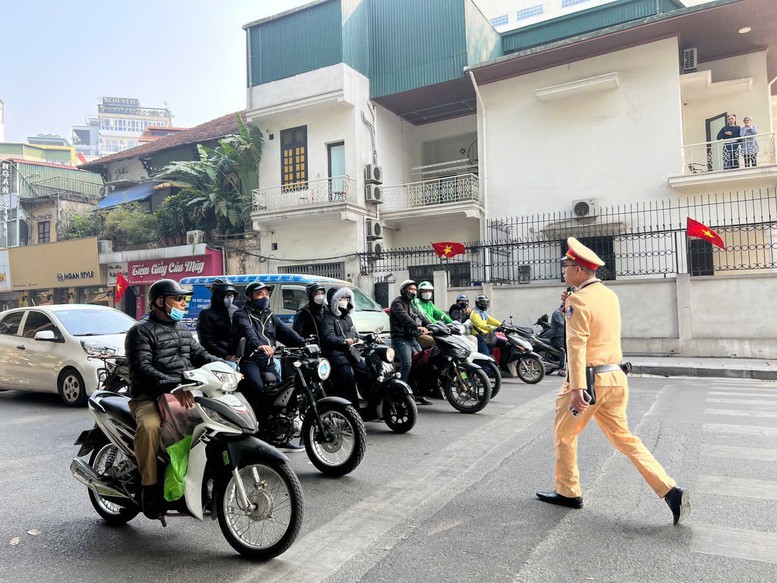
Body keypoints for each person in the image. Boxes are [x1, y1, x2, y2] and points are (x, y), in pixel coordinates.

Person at [535, 237, 689, 526]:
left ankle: (568, 492)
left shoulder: (579, 300)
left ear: (579, 270)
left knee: (565, 435)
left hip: (590, 382)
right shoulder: (608, 295)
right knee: (625, 438)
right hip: (616, 378)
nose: (563, 271)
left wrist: (578, 387)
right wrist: (571, 303)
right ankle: (669, 490)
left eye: (567, 266)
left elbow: (577, 344)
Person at [125, 278, 221, 519]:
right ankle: (149, 488)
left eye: (183, 299)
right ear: (160, 302)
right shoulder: (140, 331)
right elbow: (143, 368)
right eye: (177, 299)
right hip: (148, 396)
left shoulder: (182, 329)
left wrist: (225, 366)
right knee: (150, 428)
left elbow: (200, 355)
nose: (182, 303)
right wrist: (172, 385)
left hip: (184, 393)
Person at [232, 281, 307, 450]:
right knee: (256, 387)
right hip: (251, 360)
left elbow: (286, 332)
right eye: (260, 294)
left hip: (268, 362)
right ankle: (250, 430)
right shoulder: (241, 314)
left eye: (266, 294)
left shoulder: (269, 314)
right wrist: (258, 345)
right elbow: (248, 331)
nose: (264, 297)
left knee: (283, 395)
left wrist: (305, 343)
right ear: (249, 297)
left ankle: (281, 435)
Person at [389, 279, 432, 405]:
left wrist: (434, 325)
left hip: (411, 338)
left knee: (422, 362)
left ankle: (417, 392)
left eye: (414, 290)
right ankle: (399, 393)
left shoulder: (411, 303)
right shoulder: (397, 303)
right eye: (410, 289)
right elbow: (404, 317)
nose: (413, 292)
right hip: (400, 338)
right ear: (403, 290)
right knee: (407, 364)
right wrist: (417, 326)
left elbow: (421, 315)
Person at [320, 287, 363, 406]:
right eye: (342, 298)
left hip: (350, 352)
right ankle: (353, 408)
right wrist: (343, 341)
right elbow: (328, 336)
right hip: (335, 353)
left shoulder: (347, 317)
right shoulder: (328, 317)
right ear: (335, 300)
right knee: (347, 375)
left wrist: (366, 338)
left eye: (347, 298)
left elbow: (355, 333)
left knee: (366, 369)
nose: (345, 301)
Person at [196, 278, 239, 368]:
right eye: (226, 295)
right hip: (217, 357)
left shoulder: (235, 310)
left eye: (231, 295)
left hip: (237, 355)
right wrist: (225, 355)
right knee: (232, 368)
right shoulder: (206, 313)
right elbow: (206, 342)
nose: (230, 298)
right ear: (218, 295)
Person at [547, 305, 567, 376]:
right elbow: (562, 324)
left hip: (562, 336)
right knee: (564, 351)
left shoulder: (564, 314)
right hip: (556, 337)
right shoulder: (557, 313)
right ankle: (561, 370)